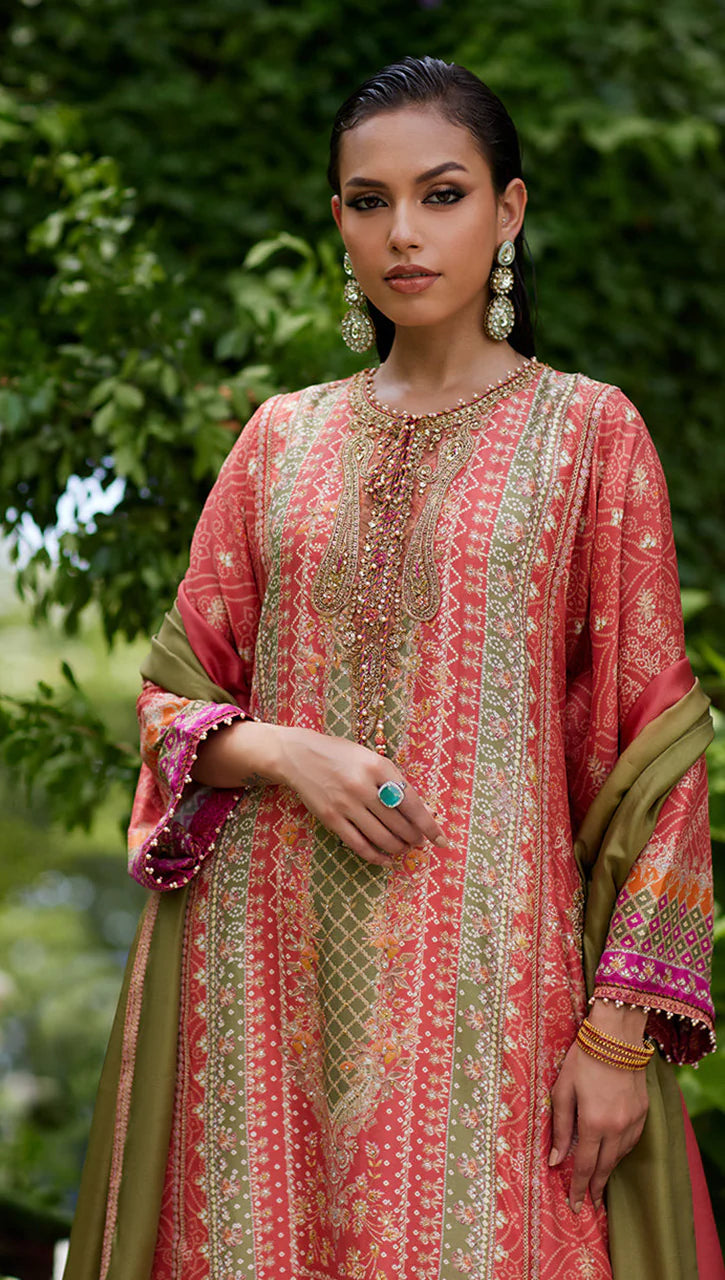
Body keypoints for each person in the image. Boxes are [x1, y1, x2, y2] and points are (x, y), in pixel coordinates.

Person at [63, 57, 723, 1280]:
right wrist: (276, 748)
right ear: (338, 224)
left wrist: (620, 1031)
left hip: (488, 994)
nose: (403, 233)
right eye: (369, 201)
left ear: (508, 211)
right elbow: (171, 693)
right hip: (255, 993)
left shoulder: (587, 434)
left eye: (442, 193)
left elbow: (658, 749)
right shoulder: (280, 438)